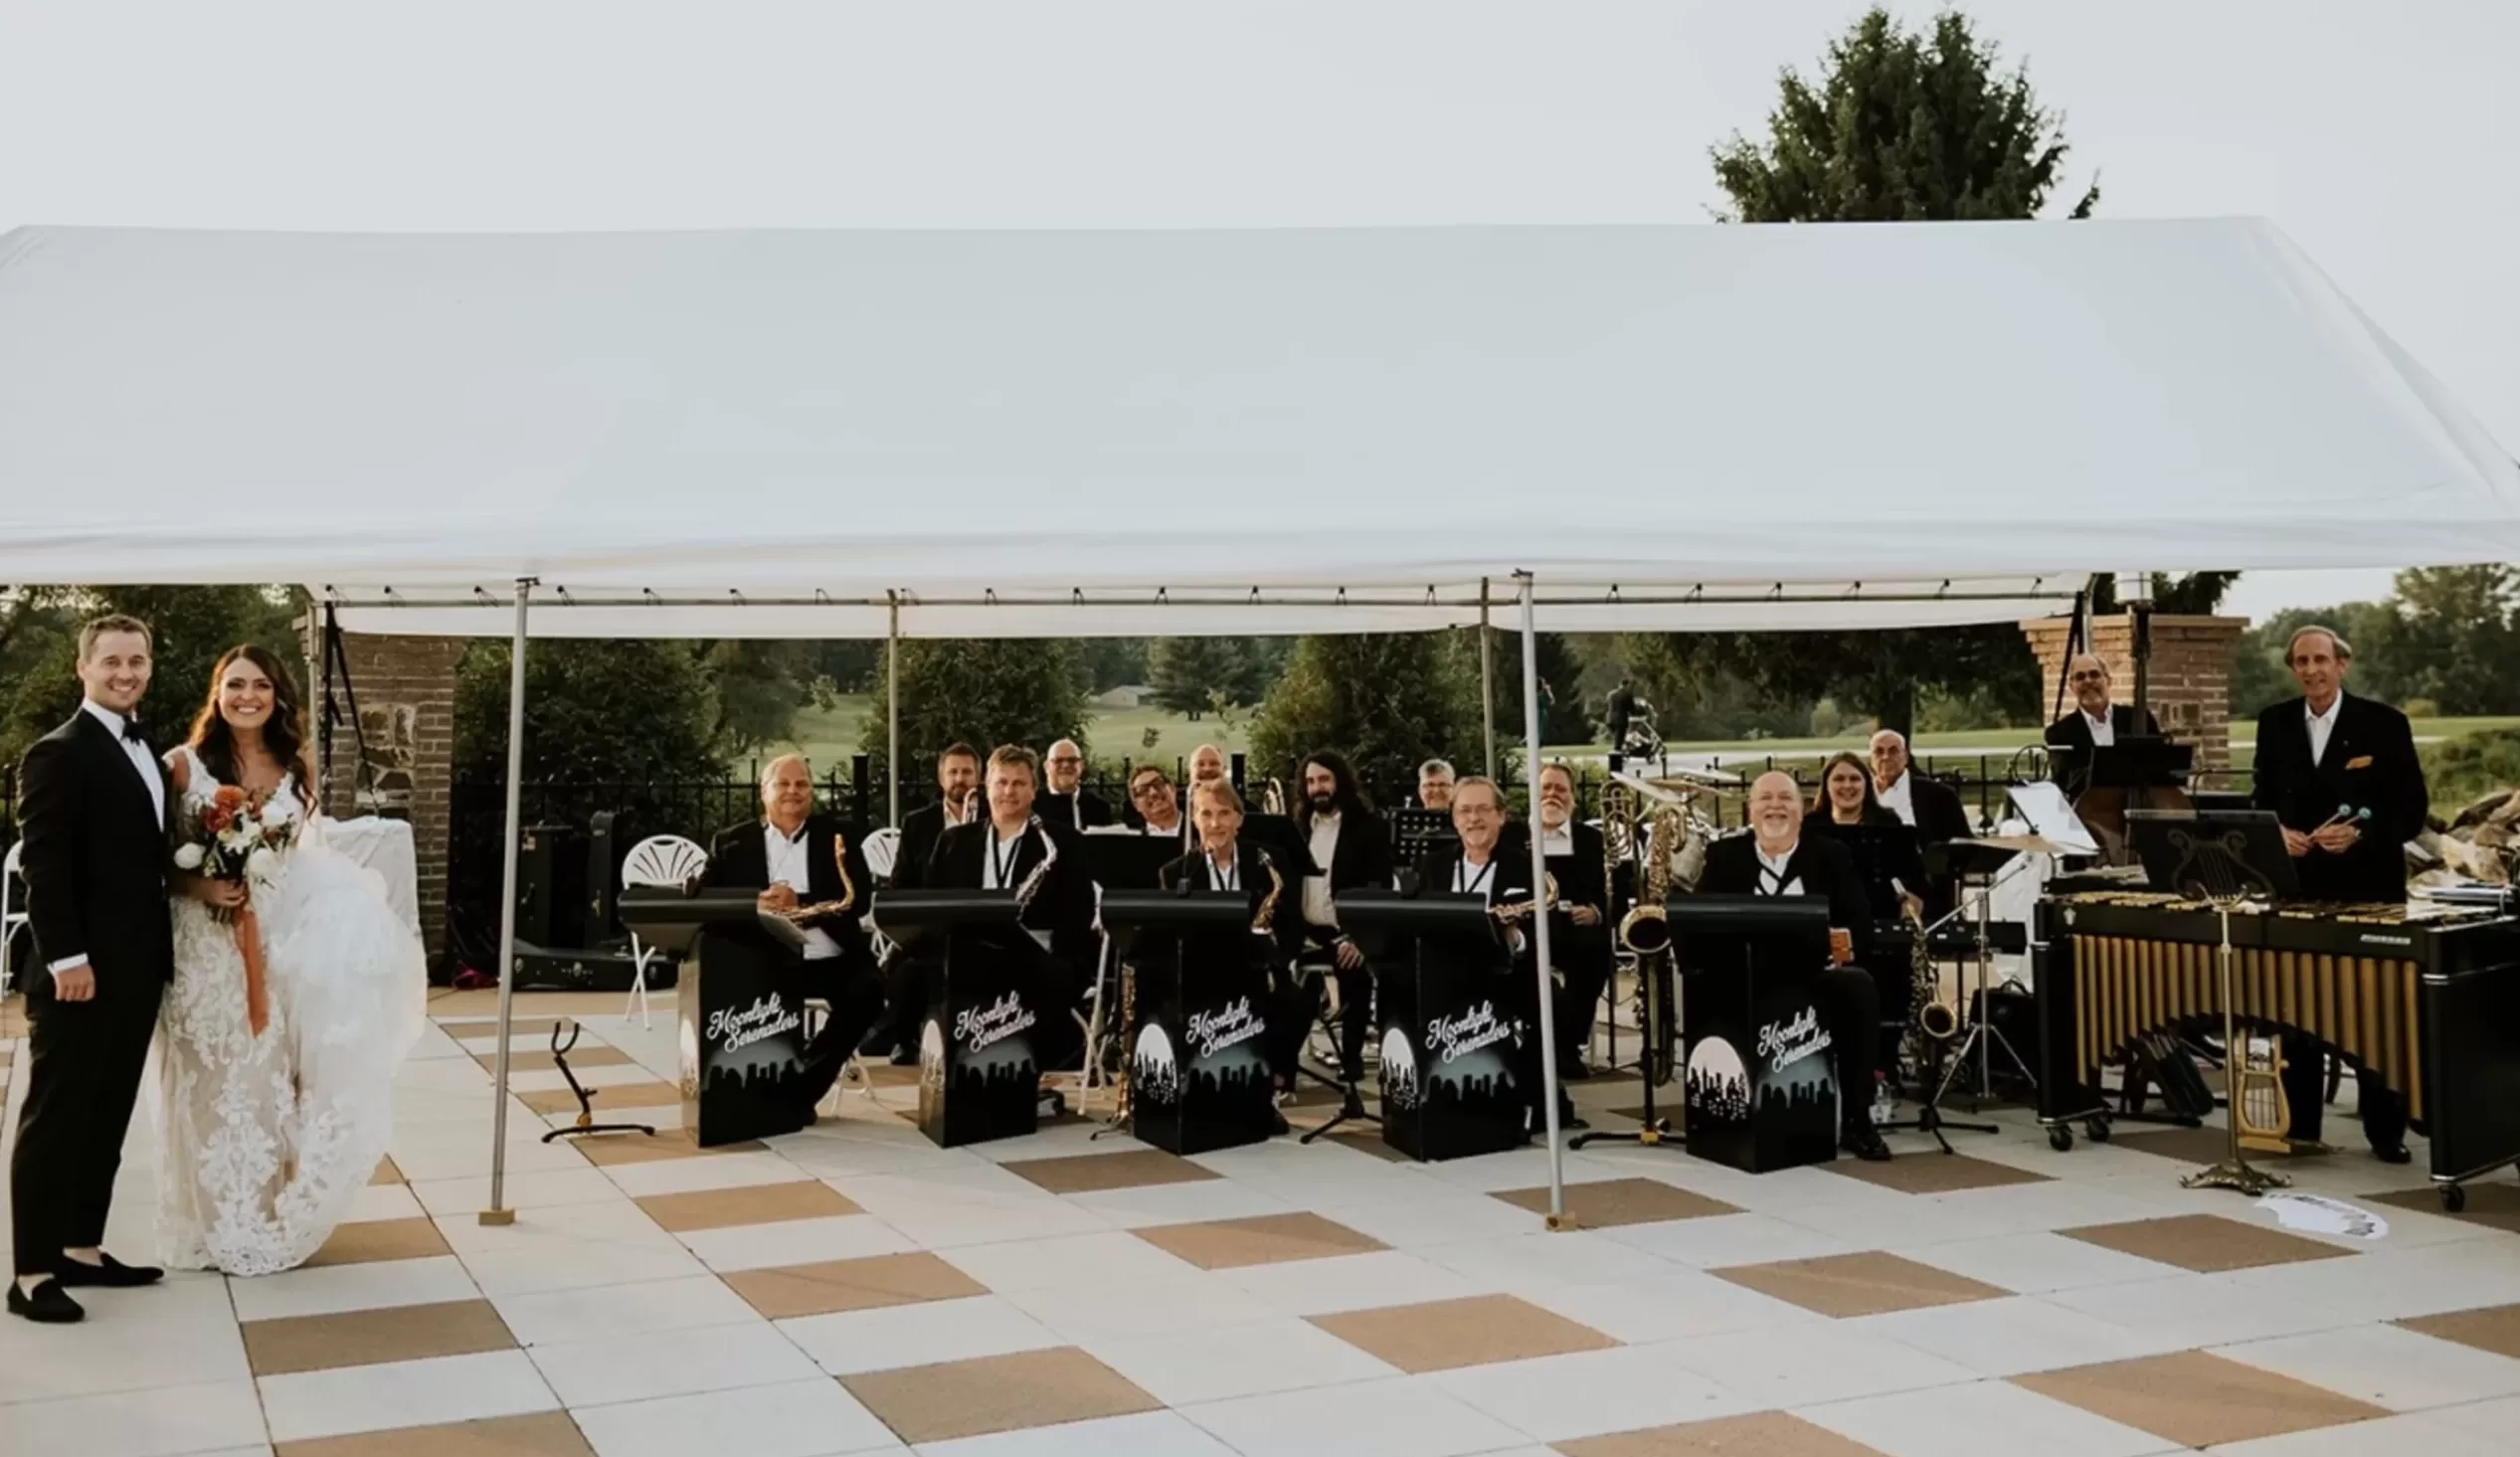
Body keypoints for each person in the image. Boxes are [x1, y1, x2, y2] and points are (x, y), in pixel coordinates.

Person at [156, 643, 427, 1277]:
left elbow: (299, 856)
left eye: (261, 687)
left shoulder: (294, 766)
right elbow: (150, 858)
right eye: (235, 685)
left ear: (278, 698)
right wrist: (201, 886)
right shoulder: (181, 766)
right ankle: (203, 1221)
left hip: (274, 941)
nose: (247, 696)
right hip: (203, 943)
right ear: (216, 694)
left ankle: (260, 1212)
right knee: (206, 1076)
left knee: (263, 1079)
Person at [11, 616, 177, 1323]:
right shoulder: (59, 752)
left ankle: (81, 1247)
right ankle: (28, 1274)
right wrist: (68, 958)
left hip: (137, 966)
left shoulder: (146, 748)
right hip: (77, 971)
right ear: (83, 667)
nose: (125, 672)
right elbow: (43, 866)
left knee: (107, 1111)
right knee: (56, 1116)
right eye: (111, 661)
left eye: (136, 660)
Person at [2253, 625, 2427, 1163]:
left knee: (2378, 1016)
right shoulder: (2275, 723)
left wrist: (2361, 832)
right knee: (2296, 1011)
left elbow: (2412, 810)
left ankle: (2385, 1132)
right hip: (2299, 892)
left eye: (2320, 660)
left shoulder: (2384, 724)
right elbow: (2261, 798)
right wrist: (2275, 833)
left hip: (2369, 892)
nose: (2311, 670)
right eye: (2301, 662)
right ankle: (2301, 1125)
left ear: (2342, 664)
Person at [1695, 771, 1893, 1162]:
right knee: (1707, 984)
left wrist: (1841, 940)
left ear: (1801, 811)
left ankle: (1857, 1119)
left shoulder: (1830, 854)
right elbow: (1699, 921)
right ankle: (1719, 1111)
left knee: (1859, 989)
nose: (1775, 806)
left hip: (1814, 974)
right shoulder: (1725, 856)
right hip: (1743, 975)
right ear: (1750, 810)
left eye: (1785, 798)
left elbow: (1860, 923)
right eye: (1765, 798)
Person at [704, 755, 881, 1120]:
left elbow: (860, 898)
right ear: (763, 791)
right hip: (762, 956)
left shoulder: (839, 835)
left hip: (828, 955)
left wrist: (801, 902)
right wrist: (756, 901)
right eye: (783, 784)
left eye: (801, 784)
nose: (792, 792)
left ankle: (801, 1091)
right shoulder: (731, 841)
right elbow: (708, 899)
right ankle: (738, 1092)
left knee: (869, 992)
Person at [924, 745, 1100, 1073]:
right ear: (986, 788)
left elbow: (1080, 911)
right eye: (1001, 782)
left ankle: (1022, 1072)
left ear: (1034, 790)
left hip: (1038, 954)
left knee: (1041, 980)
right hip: (969, 953)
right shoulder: (953, 841)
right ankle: (954, 1070)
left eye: (1019, 783)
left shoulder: (1063, 841)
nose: (1009, 791)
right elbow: (933, 904)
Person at [1411, 776, 1572, 1132]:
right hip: (1447, 974)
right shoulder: (1434, 865)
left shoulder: (1528, 866)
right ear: (1454, 818)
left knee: (1551, 1000)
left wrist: (1516, 937)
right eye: (1465, 811)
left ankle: (1527, 1099)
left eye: (1483, 809)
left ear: (1501, 816)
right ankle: (1428, 1093)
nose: (1474, 819)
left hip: (1507, 975)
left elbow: (1556, 931)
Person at [1157, 780, 1308, 1122]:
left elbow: (1294, 926)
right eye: (1206, 814)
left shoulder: (1271, 862)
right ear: (1194, 819)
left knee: (1296, 1002)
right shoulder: (1176, 872)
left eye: (1224, 813)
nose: (1215, 824)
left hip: (1258, 970)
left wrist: (1273, 947)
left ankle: (1272, 1082)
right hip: (1203, 976)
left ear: (1239, 819)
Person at [863, 743, 982, 1060]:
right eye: (953, 772)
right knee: (904, 968)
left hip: (979, 924)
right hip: (931, 926)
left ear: (979, 778)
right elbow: (900, 882)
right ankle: (906, 1040)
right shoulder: (919, 823)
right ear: (941, 778)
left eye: (967, 772)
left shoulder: (991, 818)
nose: (960, 779)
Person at [1296, 752, 1393, 1102]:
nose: (1317, 788)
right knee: (1291, 987)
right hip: (1307, 931)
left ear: (1339, 781)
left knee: (1354, 974)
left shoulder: (1369, 827)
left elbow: (1379, 885)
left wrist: (1357, 937)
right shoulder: (1298, 828)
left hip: (1350, 930)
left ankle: (1351, 1059)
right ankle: (1283, 1065)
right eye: (1310, 782)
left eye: (1323, 780)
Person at [1534, 762, 1612, 1079]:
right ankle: (1542, 1045)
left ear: (1573, 799)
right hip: (1530, 927)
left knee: (1594, 955)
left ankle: (1568, 1046)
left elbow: (1614, 888)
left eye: (1561, 789)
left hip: (1576, 929)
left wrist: (1596, 911)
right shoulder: (1514, 835)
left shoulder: (1591, 839)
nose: (1553, 795)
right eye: (1546, 788)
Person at [1870, 729, 1972, 916]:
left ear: (1906, 756)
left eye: (1893, 751)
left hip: (1925, 890)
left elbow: (1963, 846)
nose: (1885, 757)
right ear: (1871, 758)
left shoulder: (1940, 796)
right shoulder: (1861, 794)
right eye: (1879, 751)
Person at [2045, 654, 2161, 752]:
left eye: (2094, 674)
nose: (2088, 681)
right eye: (2080, 677)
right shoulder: (2059, 733)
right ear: (2072, 687)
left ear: (2108, 680)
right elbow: (2065, 776)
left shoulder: (2139, 719)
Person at [1038, 738, 1114, 829]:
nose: (1066, 765)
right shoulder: (1031, 806)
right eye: (1058, 760)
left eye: (1072, 760)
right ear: (1046, 766)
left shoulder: (1099, 807)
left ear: (1081, 766)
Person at [1124, 764, 1191, 847]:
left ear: (1173, 789)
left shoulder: (1200, 830)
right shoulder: (1130, 842)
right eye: (1143, 790)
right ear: (1136, 805)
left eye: (1158, 784)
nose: (1153, 793)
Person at [1604, 676, 1636, 757]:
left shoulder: (1611, 694)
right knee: (1618, 743)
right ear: (1627, 685)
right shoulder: (1627, 695)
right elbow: (1631, 708)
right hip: (1620, 720)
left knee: (1617, 739)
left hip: (1610, 719)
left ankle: (1619, 755)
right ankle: (1616, 762)